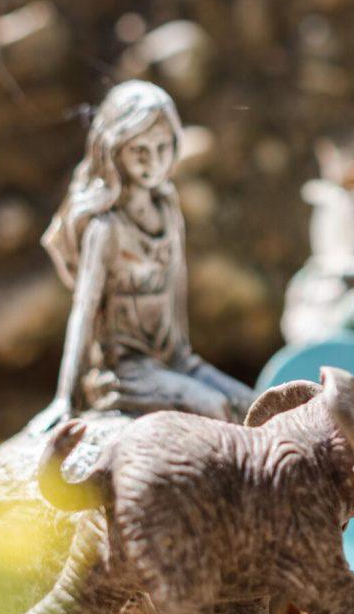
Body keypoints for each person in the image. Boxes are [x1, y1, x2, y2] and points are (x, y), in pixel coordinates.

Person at [30, 81, 253, 432]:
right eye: (140, 151)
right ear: (116, 150)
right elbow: (84, 311)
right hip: (124, 374)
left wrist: (183, 361)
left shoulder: (167, 208)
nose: (154, 162)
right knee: (218, 407)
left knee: (251, 404)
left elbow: (176, 297)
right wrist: (64, 398)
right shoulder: (107, 228)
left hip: (172, 361)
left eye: (163, 147)